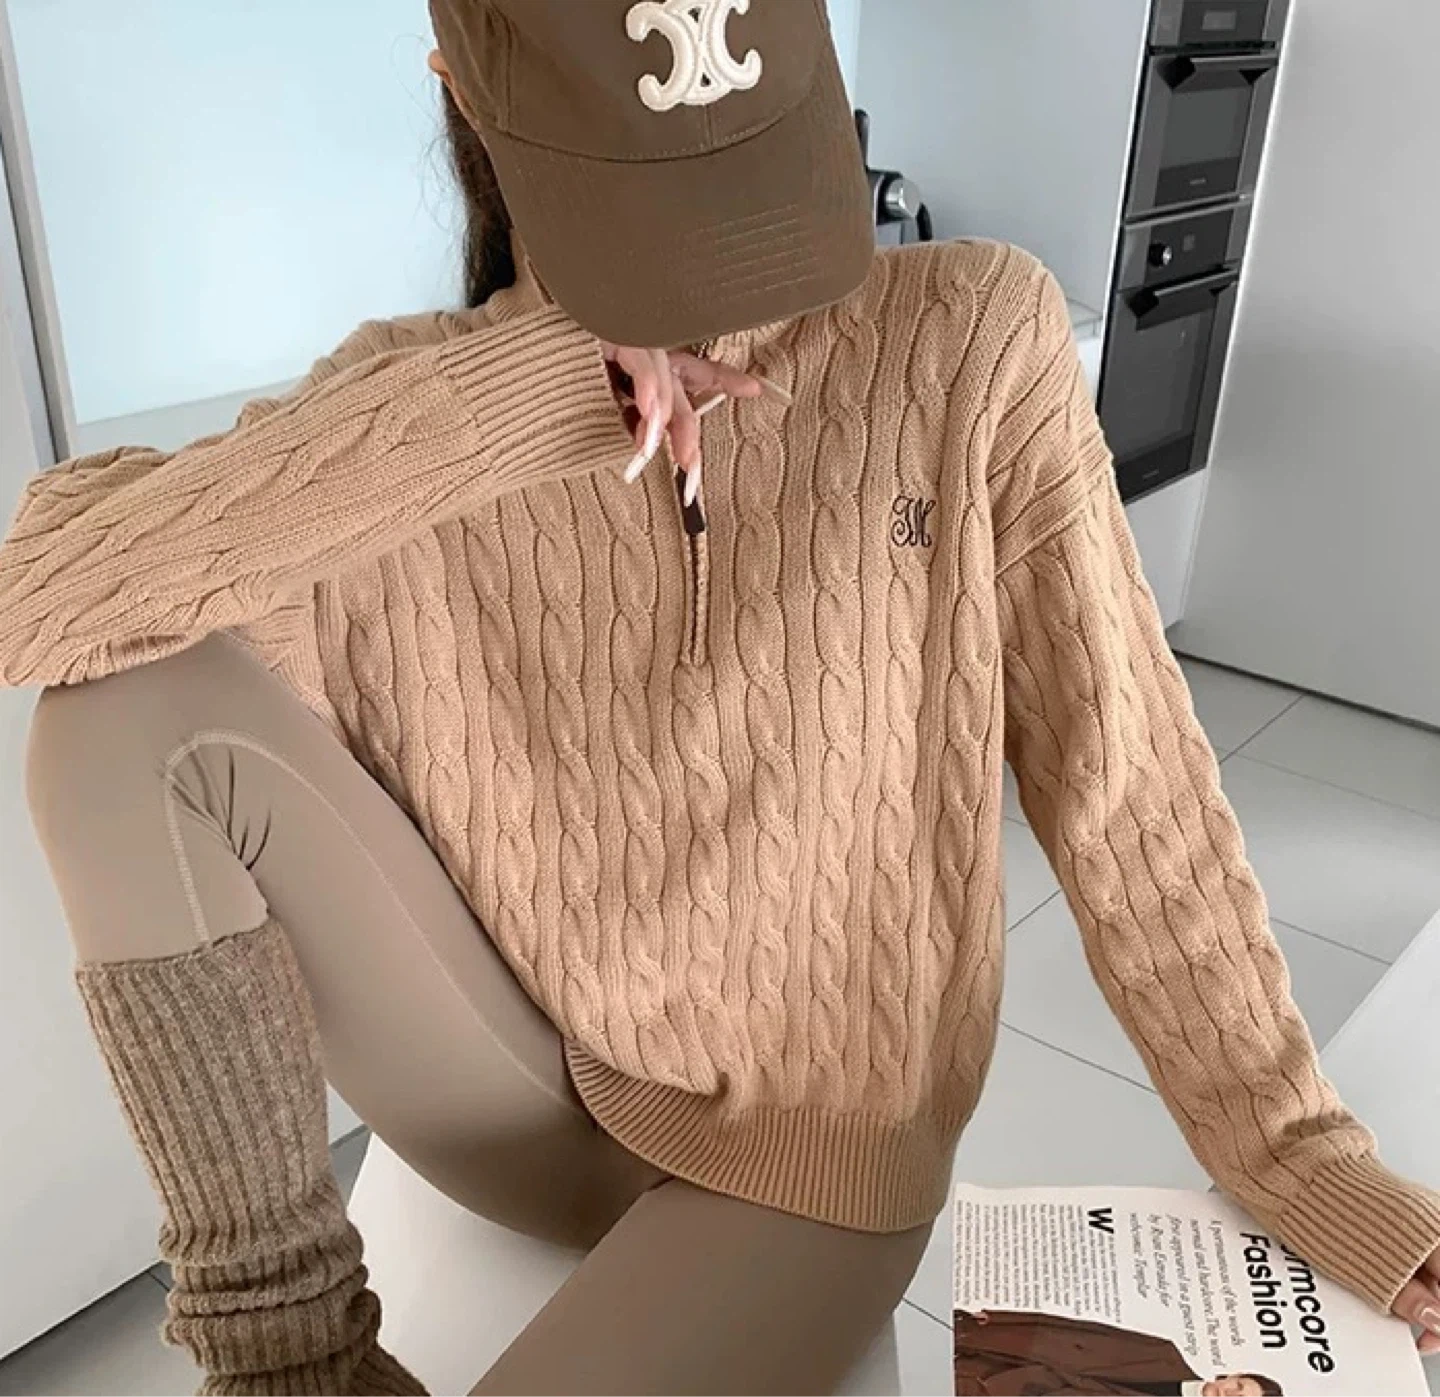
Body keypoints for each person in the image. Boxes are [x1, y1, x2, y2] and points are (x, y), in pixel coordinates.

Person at [2, 1, 1439, 1393]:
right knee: (115, 719)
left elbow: (1126, 784)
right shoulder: (416, 407)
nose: (723, 264)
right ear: (465, 89)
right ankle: (294, 1362)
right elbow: (37, 605)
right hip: (515, 1090)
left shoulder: (967, 342)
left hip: (811, 1149)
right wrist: (522, 391)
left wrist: (1294, 1150)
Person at [954, 1309, 1282, 1397]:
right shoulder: (1163, 1352)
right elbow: (1083, 1330)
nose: (1229, 1394)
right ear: (1233, 1375)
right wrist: (1004, 1318)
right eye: (1240, 1387)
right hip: (1009, 1357)